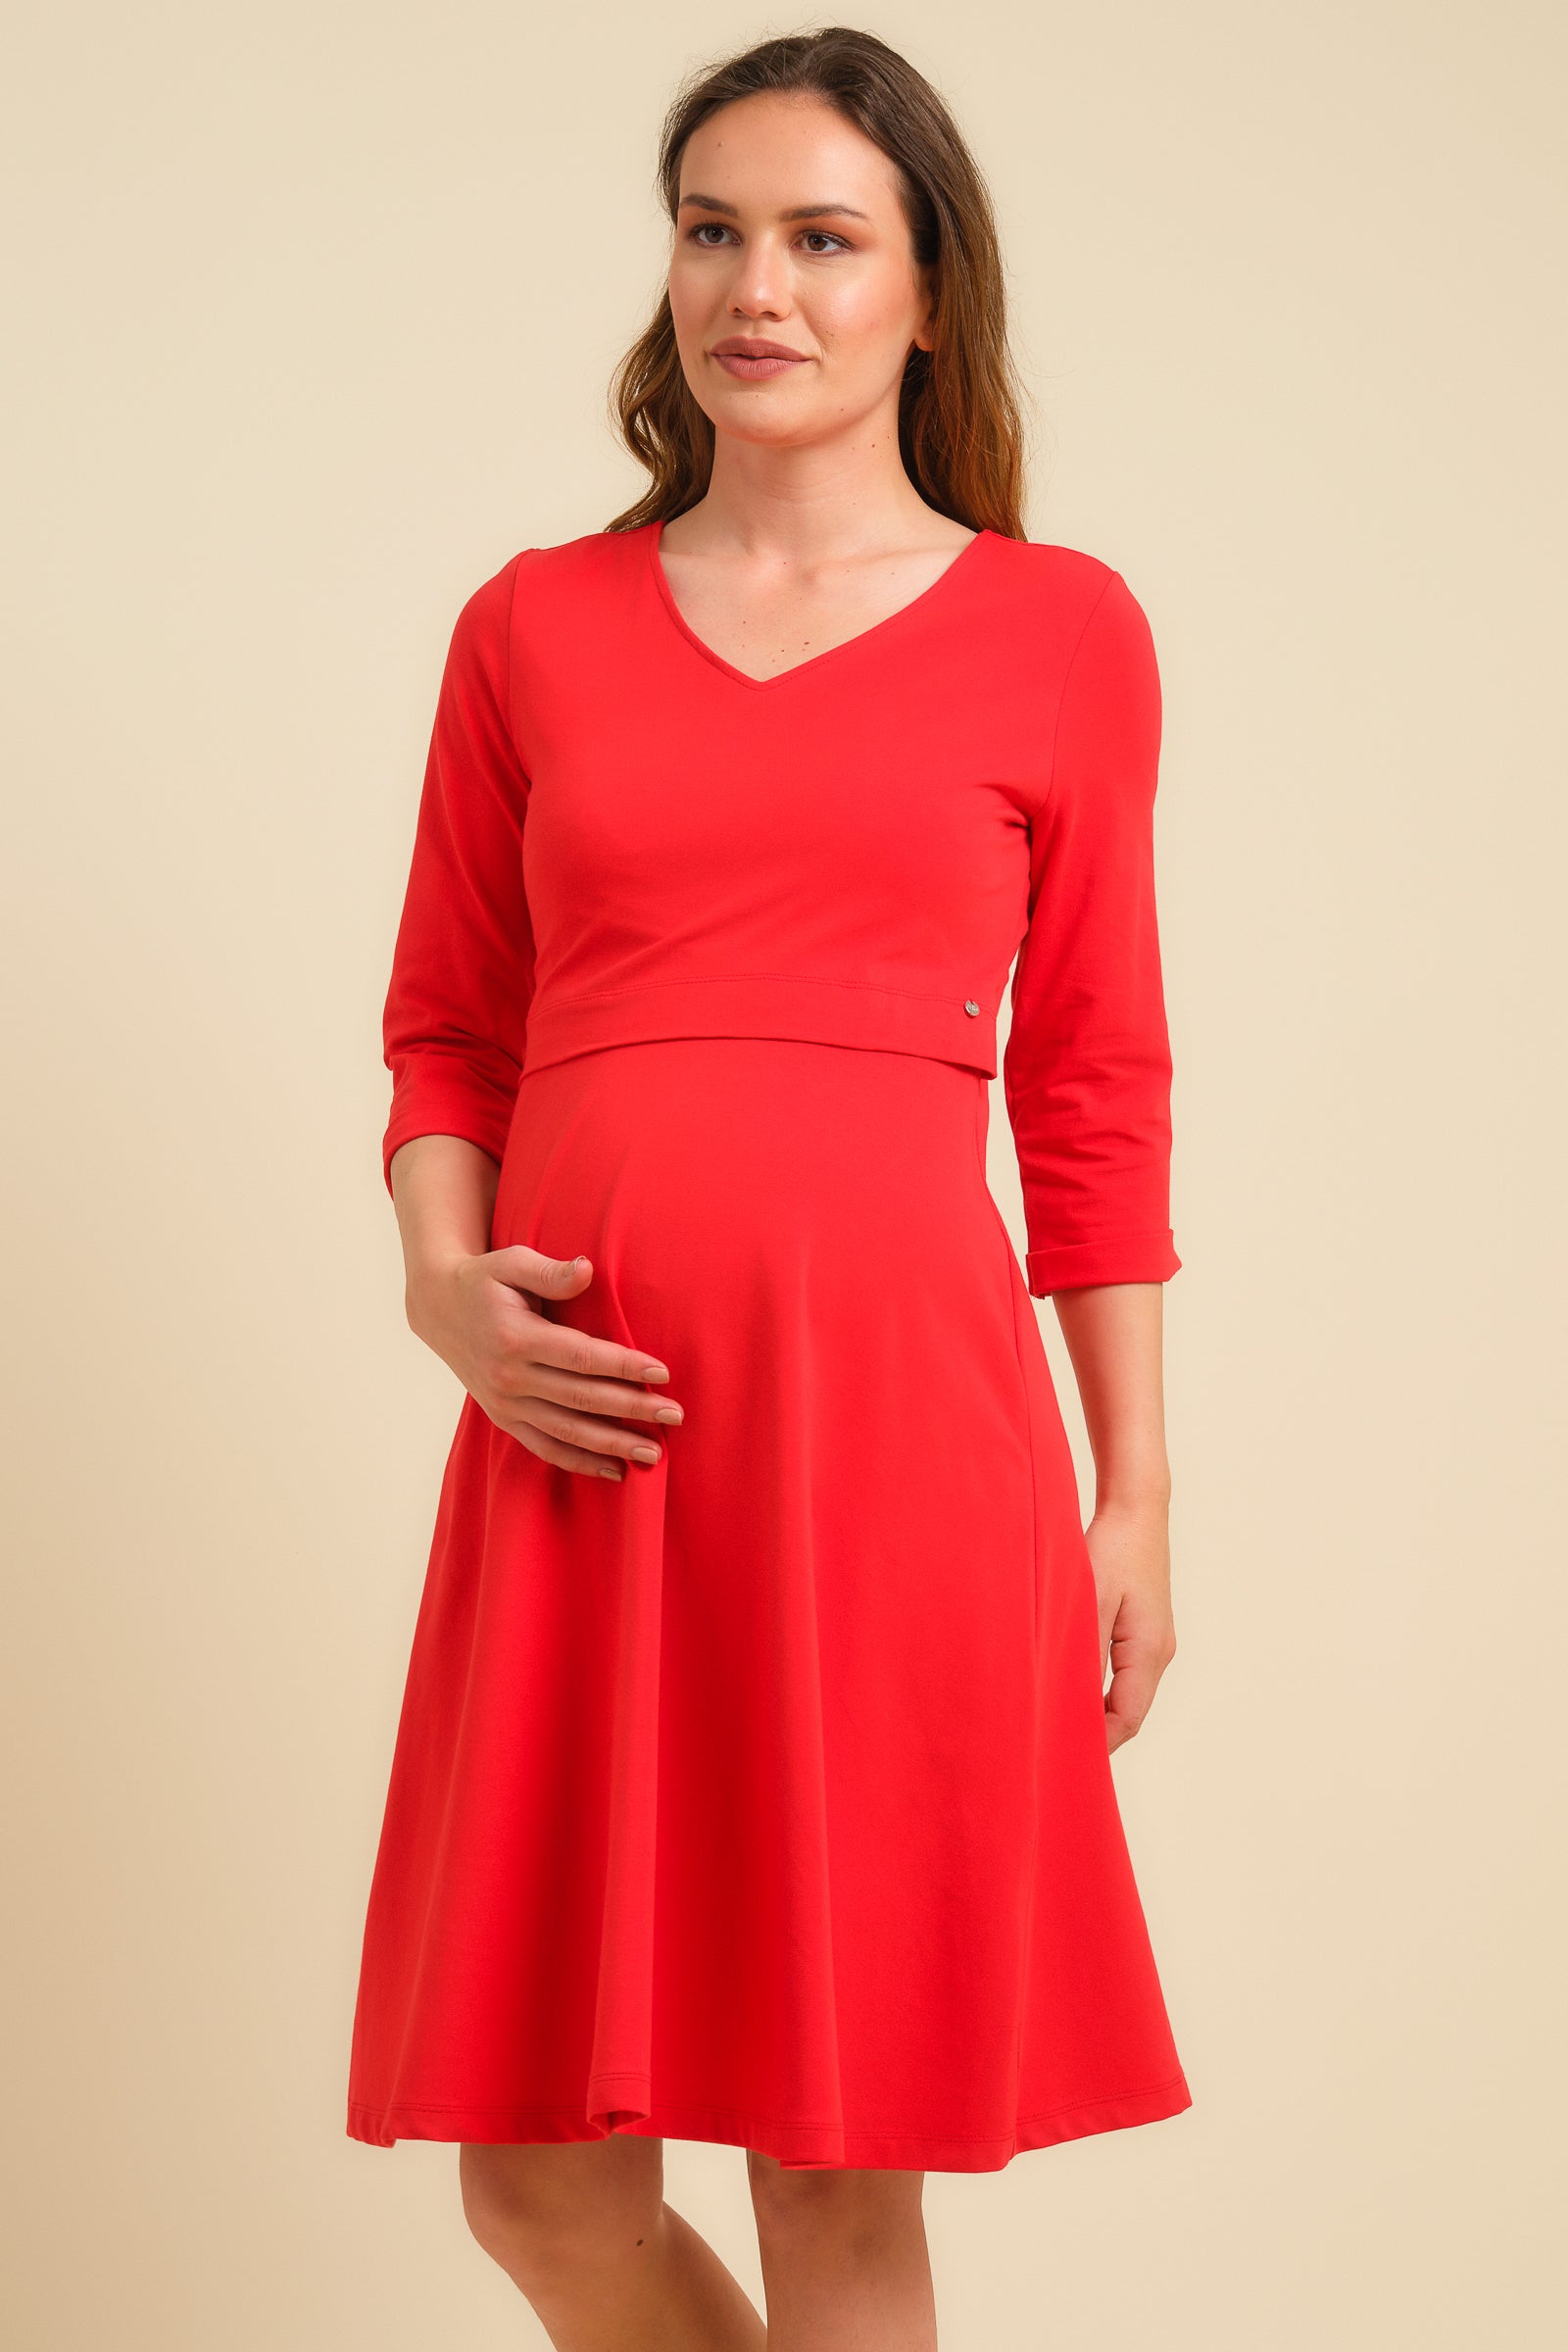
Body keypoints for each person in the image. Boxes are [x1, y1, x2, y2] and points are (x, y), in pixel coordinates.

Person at [346, 24, 1191, 2348]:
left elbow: (1095, 1087)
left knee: (833, 2177)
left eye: (823, 237)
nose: (757, 285)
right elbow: (449, 1026)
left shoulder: (1059, 629)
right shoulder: (531, 624)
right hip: (583, 1445)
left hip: (892, 1445)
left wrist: (1128, 1490)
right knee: (540, 2186)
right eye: (711, 230)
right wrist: (441, 1283)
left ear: (926, 290)